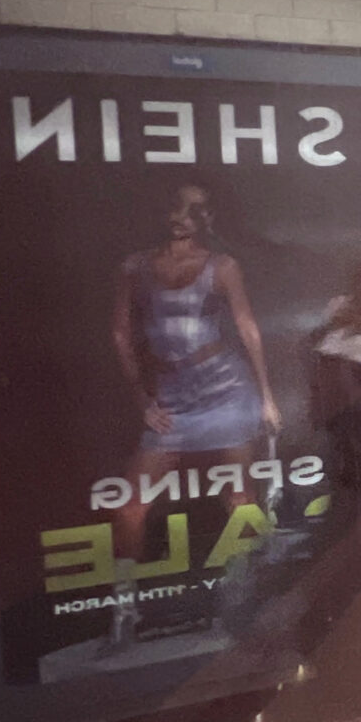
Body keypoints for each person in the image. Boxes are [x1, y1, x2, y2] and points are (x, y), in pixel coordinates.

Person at [109, 181, 281, 652]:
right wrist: (142, 399)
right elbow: (121, 334)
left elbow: (247, 326)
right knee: (129, 507)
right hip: (172, 398)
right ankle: (124, 613)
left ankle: (239, 602)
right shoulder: (136, 267)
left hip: (226, 388)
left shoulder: (221, 266)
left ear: (208, 216)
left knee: (238, 497)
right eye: (176, 205)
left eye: (195, 209)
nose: (183, 216)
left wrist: (266, 396)